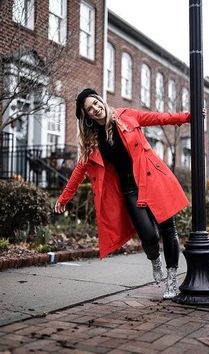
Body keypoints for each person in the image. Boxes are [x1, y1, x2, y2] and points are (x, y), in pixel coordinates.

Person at [55, 88, 192, 299]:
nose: (96, 108)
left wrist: (188, 117)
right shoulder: (93, 140)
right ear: (87, 116)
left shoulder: (126, 115)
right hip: (129, 189)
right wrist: (65, 197)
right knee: (148, 235)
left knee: (168, 228)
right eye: (90, 109)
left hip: (152, 179)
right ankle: (155, 260)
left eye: (96, 103)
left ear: (101, 101)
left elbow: (158, 118)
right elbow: (79, 171)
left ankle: (172, 281)